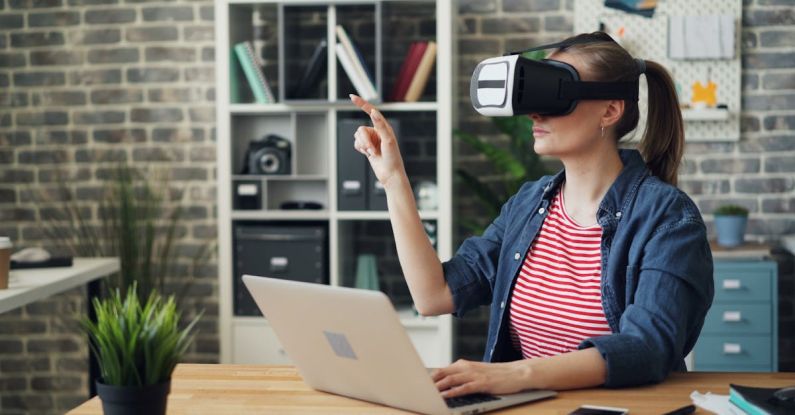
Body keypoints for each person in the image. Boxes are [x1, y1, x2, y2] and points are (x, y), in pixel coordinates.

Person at [348, 31, 714, 398]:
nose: (535, 113)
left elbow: (647, 347)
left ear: (610, 110)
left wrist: (514, 374)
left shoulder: (667, 219)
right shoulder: (528, 205)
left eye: (555, 94)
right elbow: (434, 295)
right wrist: (393, 179)